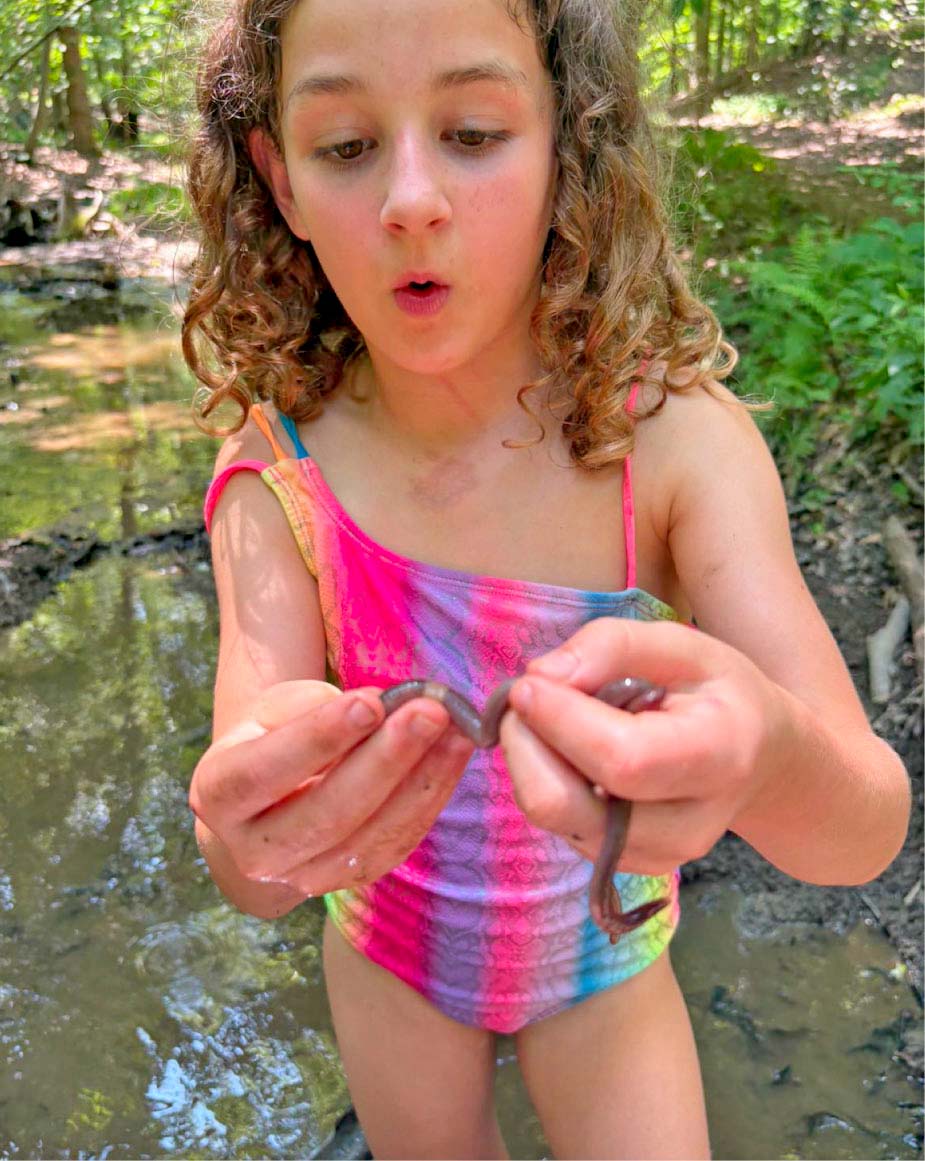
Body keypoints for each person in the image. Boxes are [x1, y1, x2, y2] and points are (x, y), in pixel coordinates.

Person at [181, 0, 911, 1156]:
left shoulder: (673, 448)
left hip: (604, 965)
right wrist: (251, 837)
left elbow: (863, 831)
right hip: (388, 966)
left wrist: (766, 749)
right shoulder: (276, 481)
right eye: (346, 145)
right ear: (281, 182)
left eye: (473, 134)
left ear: (568, 141)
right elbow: (253, 857)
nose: (411, 199)